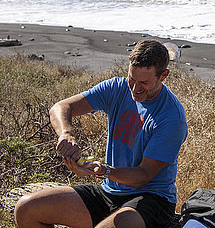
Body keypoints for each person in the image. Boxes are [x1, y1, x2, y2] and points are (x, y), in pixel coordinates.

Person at [14, 40, 188, 228]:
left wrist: (104, 170)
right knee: (26, 209)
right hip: (108, 193)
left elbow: (143, 175)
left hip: (151, 200)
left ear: (163, 76)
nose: (135, 89)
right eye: (132, 79)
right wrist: (66, 134)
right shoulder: (117, 88)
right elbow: (61, 107)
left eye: (144, 83)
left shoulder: (171, 117)